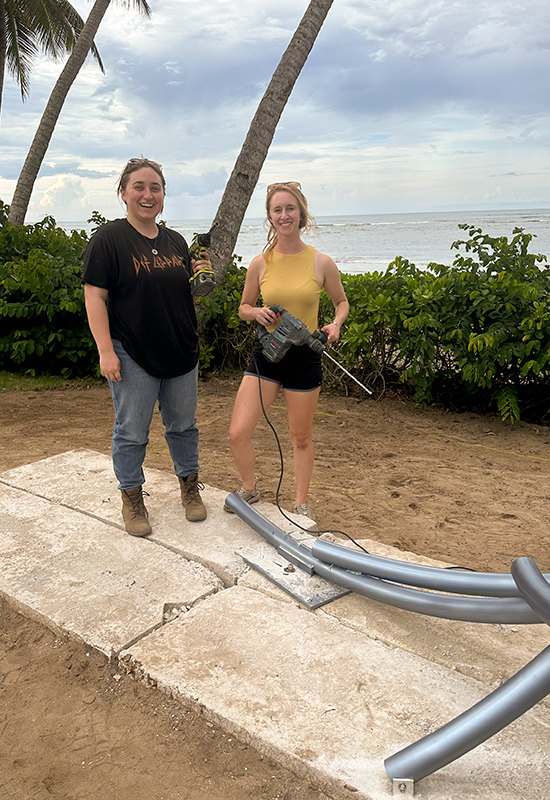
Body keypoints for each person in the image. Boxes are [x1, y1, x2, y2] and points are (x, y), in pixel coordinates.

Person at [83, 157, 208, 536]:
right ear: (123, 193)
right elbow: (94, 297)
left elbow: (177, 293)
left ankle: (189, 488)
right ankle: (132, 498)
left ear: (164, 195)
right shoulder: (108, 239)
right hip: (131, 352)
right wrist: (105, 350)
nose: (147, 194)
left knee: (183, 426)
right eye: (139, 186)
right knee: (132, 430)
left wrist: (202, 270)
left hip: (180, 350)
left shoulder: (176, 241)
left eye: (155, 187)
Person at [226, 181, 349, 522]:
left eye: (290, 208)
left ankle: (301, 502)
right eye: (277, 210)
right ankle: (249, 487)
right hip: (267, 352)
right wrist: (256, 313)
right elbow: (244, 307)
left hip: (304, 355)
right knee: (238, 431)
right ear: (269, 217)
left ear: (301, 213)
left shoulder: (321, 262)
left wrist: (335, 325)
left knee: (300, 436)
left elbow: (341, 303)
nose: (284, 215)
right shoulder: (260, 263)